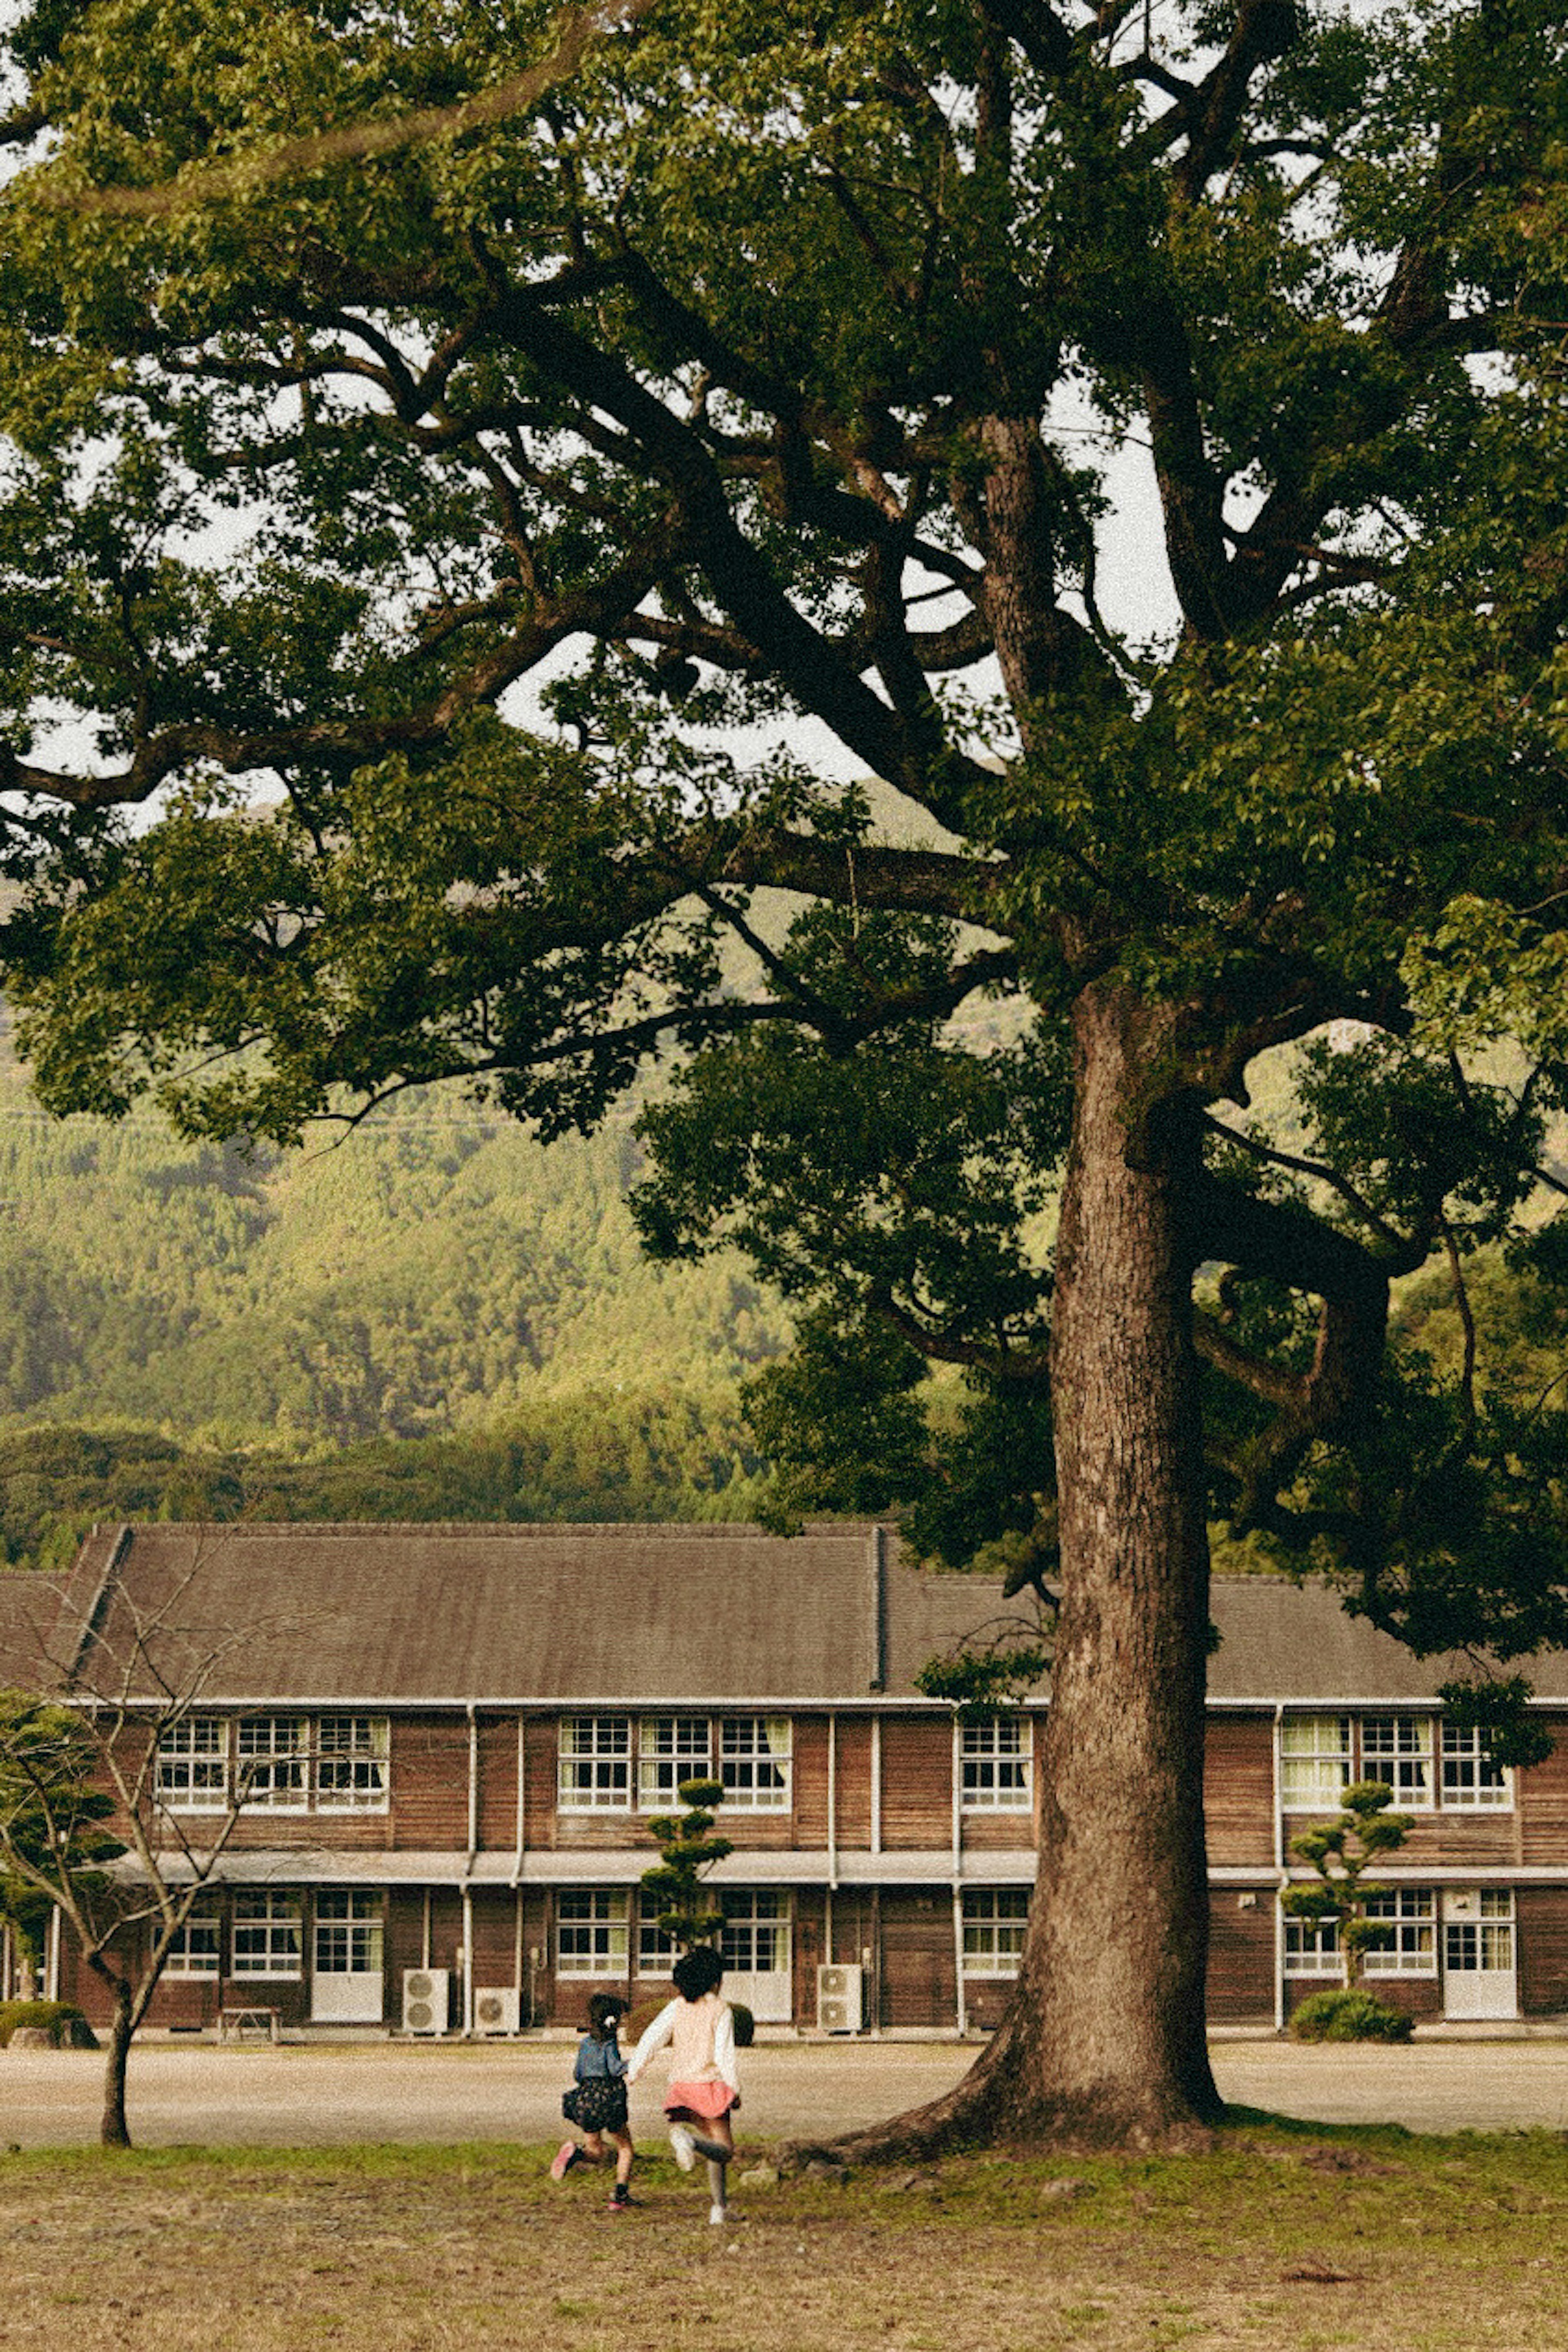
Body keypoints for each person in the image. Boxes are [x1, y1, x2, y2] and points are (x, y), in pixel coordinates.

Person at [627, 1945, 741, 2225]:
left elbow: (653, 2037)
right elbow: (725, 2054)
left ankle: (720, 2208)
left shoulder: (676, 2007)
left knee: (713, 2145)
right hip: (710, 2086)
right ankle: (690, 2145)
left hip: (681, 2087)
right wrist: (734, 2088)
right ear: (715, 1980)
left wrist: (635, 2069)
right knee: (724, 2150)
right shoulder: (720, 2009)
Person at [551, 1991, 636, 2211]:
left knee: (595, 2151)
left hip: (587, 2099)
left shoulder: (586, 2044)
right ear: (614, 2022)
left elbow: (578, 2074)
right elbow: (615, 2068)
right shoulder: (609, 2044)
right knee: (625, 2148)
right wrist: (635, 2064)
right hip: (609, 2101)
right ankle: (620, 2196)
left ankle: (576, 2154)